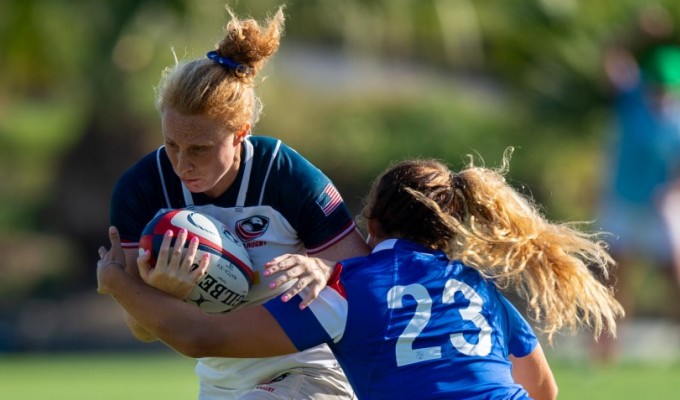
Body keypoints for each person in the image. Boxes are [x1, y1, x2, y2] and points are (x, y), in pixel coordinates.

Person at [97, 149, 624, 400]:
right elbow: (543, 390)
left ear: (369, 224)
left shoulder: (347, 287)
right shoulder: (480, 289)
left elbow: (199, 336)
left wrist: (120, 283)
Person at [108, 5, 369, 400]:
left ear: (241, 133)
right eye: (172, 144)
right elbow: (140, 329)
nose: (181, 162)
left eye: (199, 148)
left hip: (309, 371)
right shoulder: (142, 189)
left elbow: (368, 286)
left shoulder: (286, 176)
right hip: (219, 382)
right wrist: (160, 292)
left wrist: (328, 270)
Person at [596, 5, 680, 363]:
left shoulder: (676, 117)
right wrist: (639, 34)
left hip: (658, 205)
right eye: (658, 86)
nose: (661, 93)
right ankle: (605, 351)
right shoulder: (631, 98)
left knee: (674, 274)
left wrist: (674, 191)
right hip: (622, 200)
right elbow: (611, 58)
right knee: (616, 277)